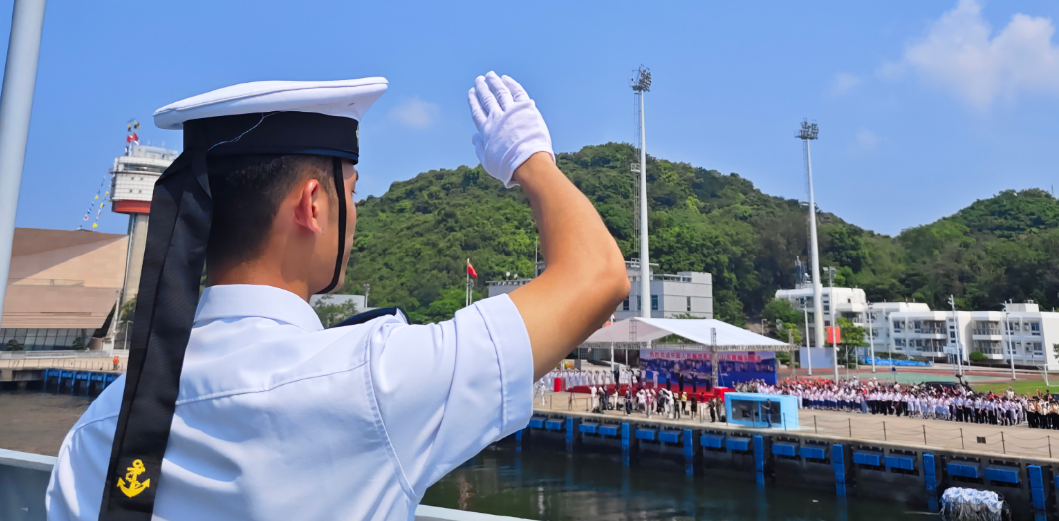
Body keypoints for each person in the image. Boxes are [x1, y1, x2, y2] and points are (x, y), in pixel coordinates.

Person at [46, 74, 629, 521]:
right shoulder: (376, 379)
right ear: (313, 205)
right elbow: (599, 274)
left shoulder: (103, 427)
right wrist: (531, 161)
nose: (357, 210)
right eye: (352, 190)